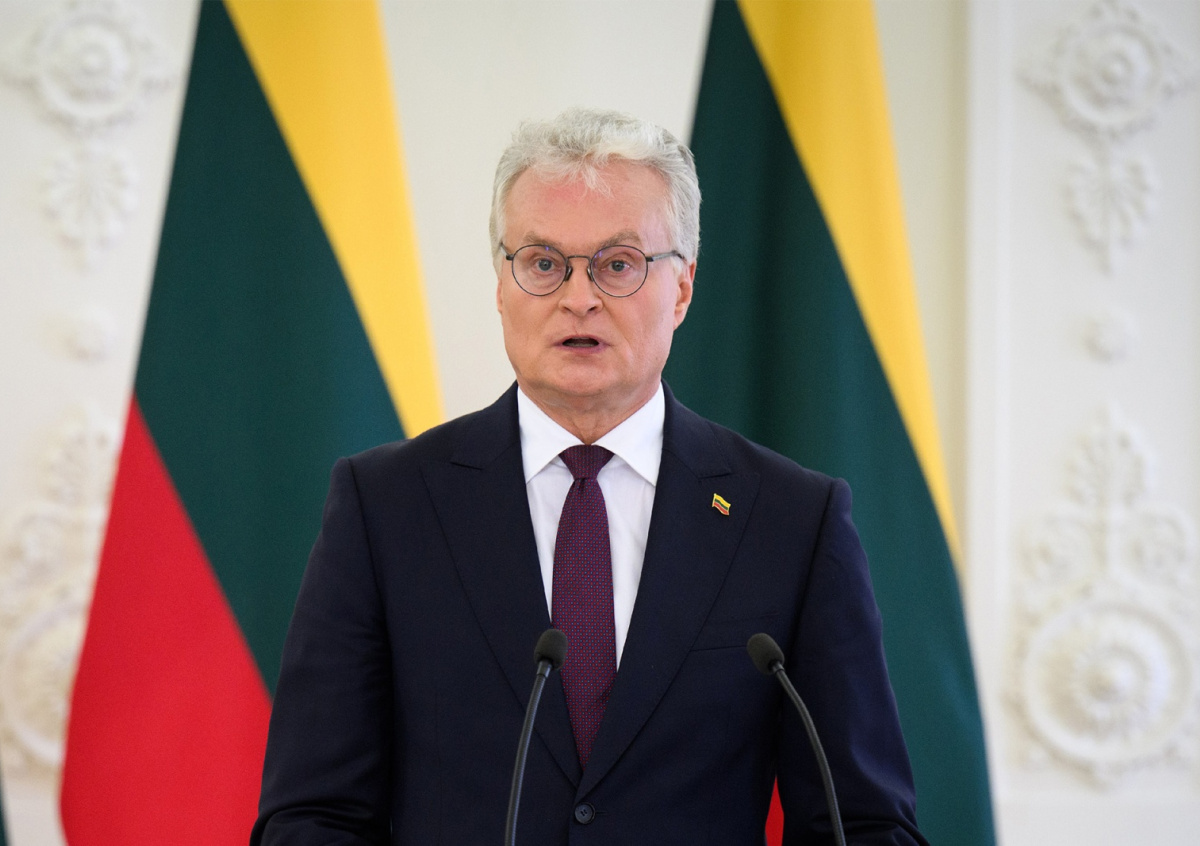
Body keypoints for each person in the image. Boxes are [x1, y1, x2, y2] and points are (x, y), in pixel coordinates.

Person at [251, 108, 927, 845]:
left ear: (682, 288)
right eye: (544, 263)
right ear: (502, 286)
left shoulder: (791, 520)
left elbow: (862, 824)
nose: (578, 298)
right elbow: (314, 815)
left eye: (618, 264)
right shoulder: (387, 508)